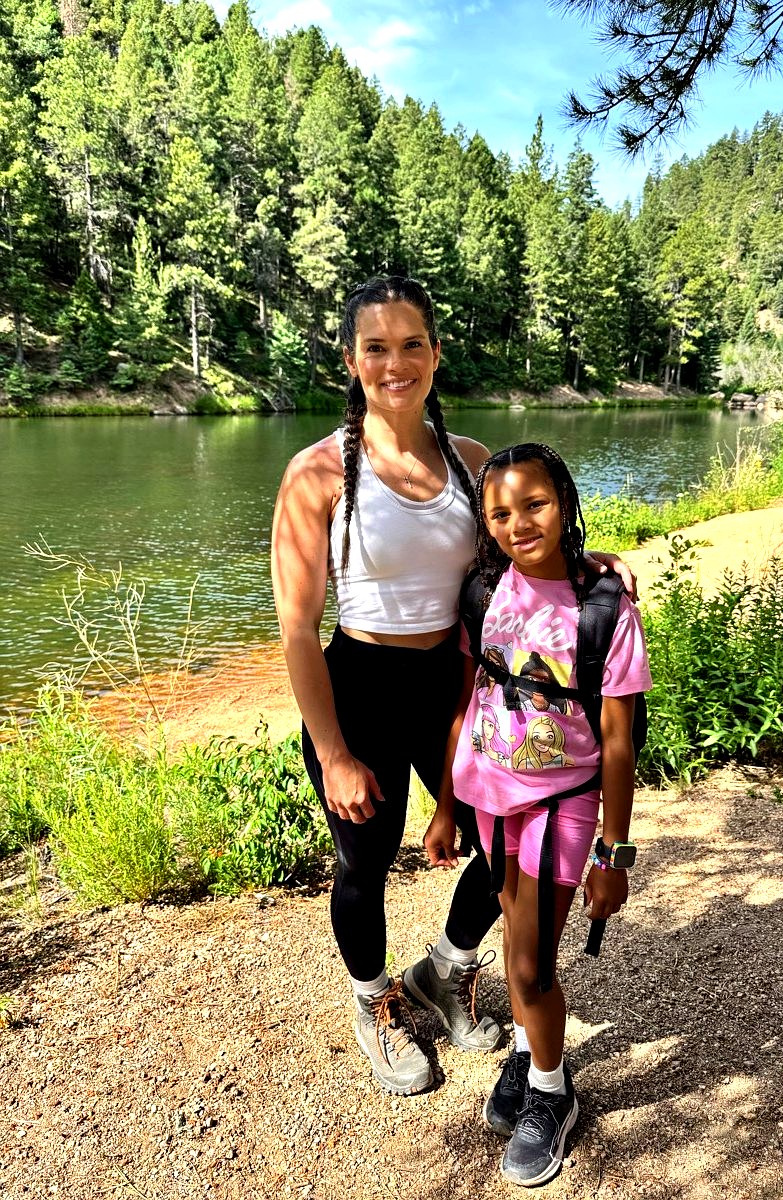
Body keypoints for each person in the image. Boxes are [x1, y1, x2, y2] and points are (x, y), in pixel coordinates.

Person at [270, 276, 637, 1098]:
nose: (394, 363)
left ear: (435, 355)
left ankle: (447, 967)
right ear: (351, 359)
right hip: (358, 684)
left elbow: (527, 545)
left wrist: (590, 564)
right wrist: (332, 751)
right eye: (376, 347)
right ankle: (377, 1005)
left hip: (458, 684)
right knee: (362, 862)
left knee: (493, 840)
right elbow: (297, 628)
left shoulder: (470, 463)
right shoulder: (318, 473)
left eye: (411, 345)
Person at [424, 442, 651, 1186]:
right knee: (523, 946)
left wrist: (613, 856)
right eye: (500, 511)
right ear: (485, 523)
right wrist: (446, 806)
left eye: (536, 504)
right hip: (491, 803)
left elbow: (617, 744)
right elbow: (467, 703)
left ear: (567, 502)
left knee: (529, 962)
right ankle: (527, 1051)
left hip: (563, 804)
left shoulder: (605, 607)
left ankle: (553, 1096)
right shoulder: (483, 593)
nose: (519, 522)